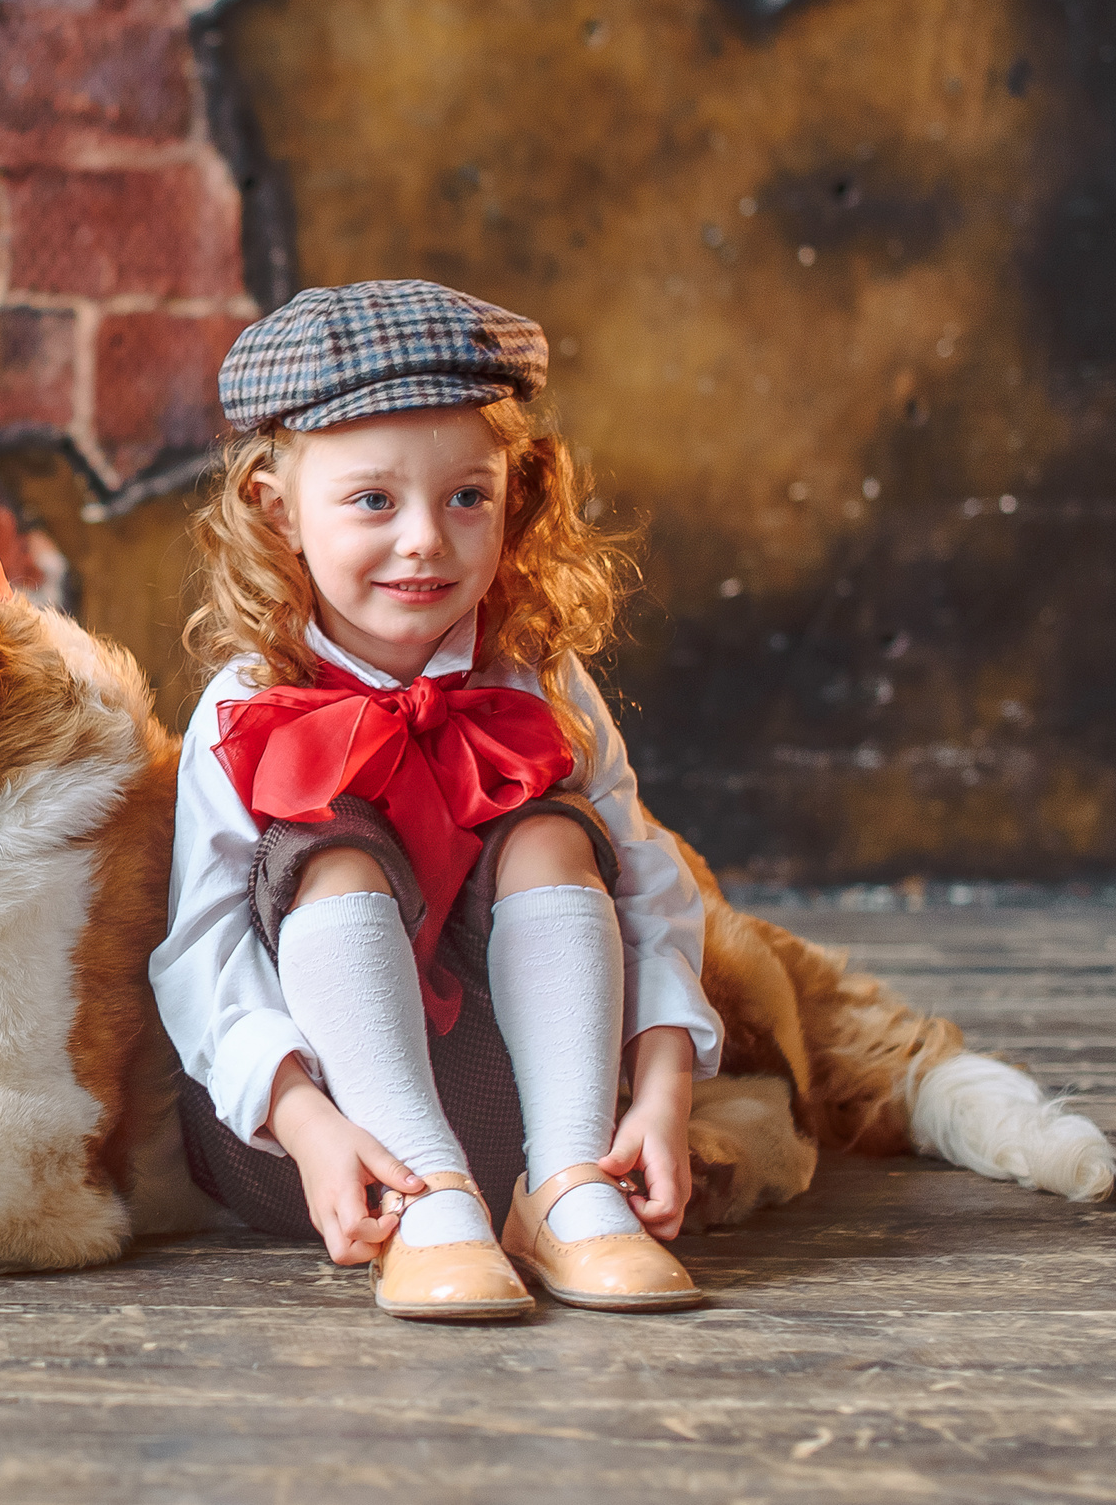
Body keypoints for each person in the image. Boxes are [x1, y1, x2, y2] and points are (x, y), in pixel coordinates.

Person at [151, 279, 725, 1320]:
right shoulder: (246, 700)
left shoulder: (534, 677)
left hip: (542, 1104)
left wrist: (665, 1080)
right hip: (328, 1147)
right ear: (275, 507)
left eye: (467, 495)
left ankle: (562, 1194)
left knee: (555, 831)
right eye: (374, 500)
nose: (425, 538)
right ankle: (431, 1202)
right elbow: (199, 952)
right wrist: (306, 1122)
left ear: (519, 488)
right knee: (326, 848)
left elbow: (650, 887)